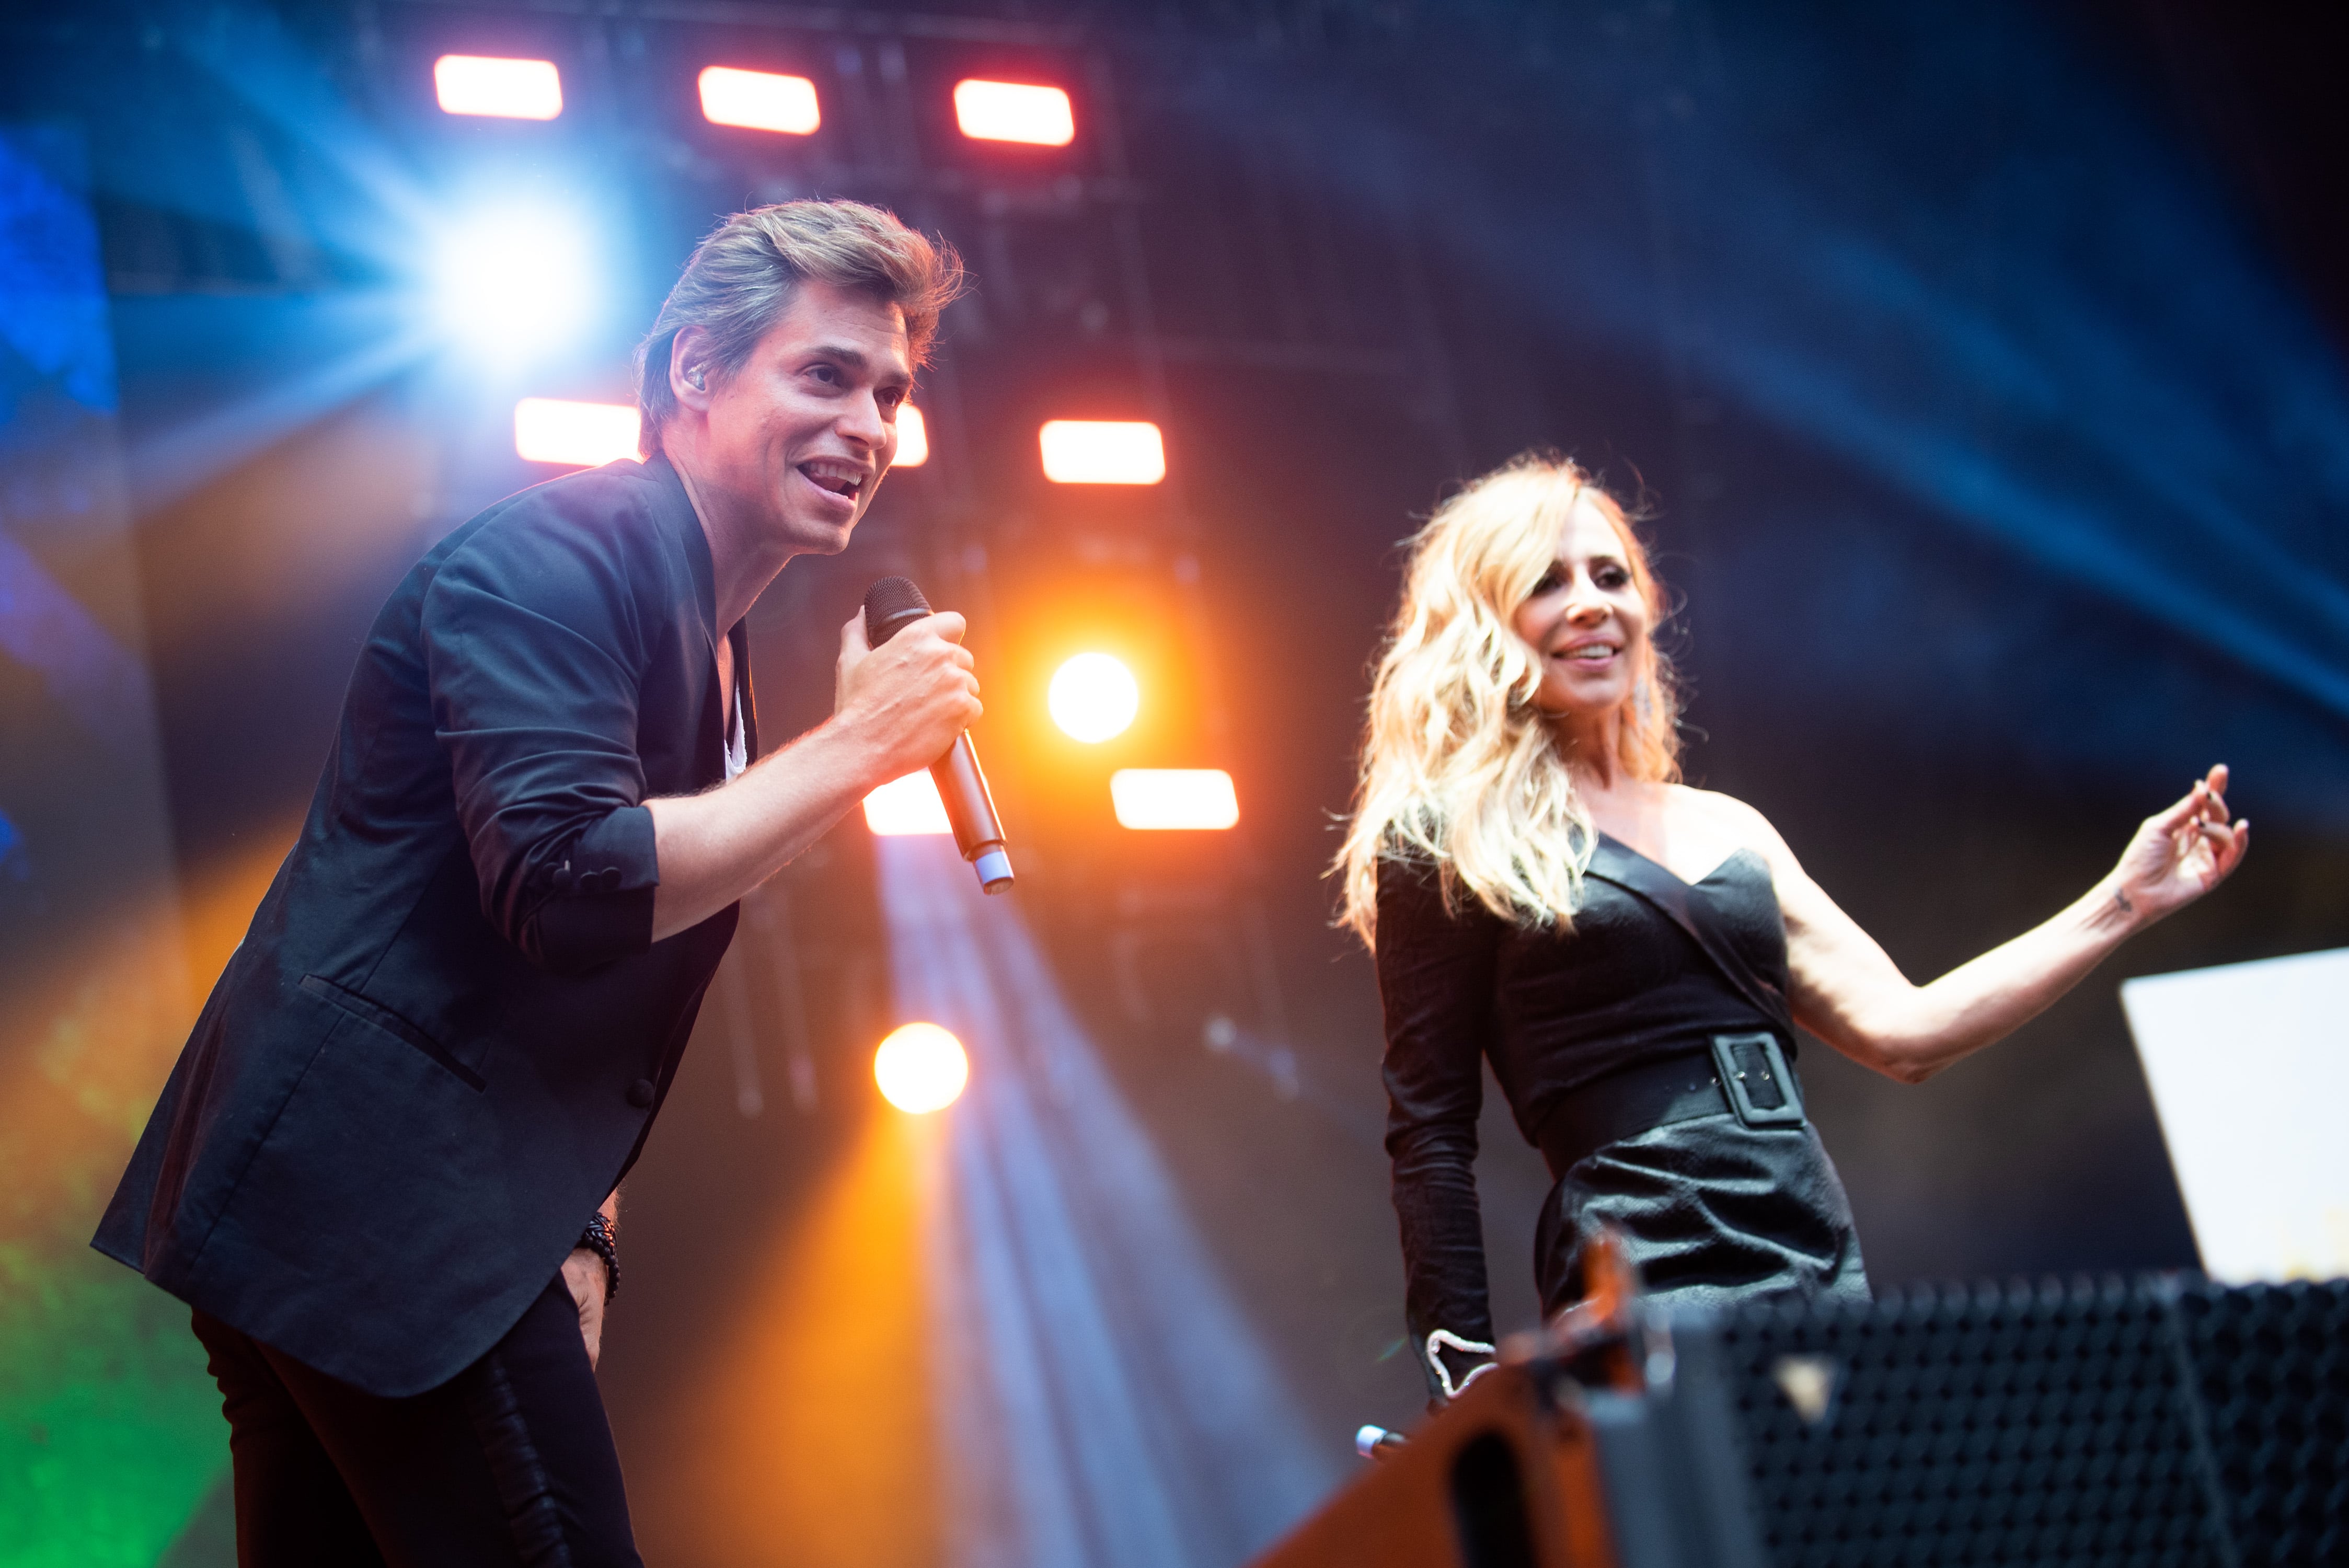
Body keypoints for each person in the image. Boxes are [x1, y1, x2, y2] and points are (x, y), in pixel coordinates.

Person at [92, 199, 975, 1564]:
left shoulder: (710, 642)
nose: (866, 425)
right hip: (383, 1196)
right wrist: (857, 752)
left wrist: (587, 1237)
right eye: (822, 375)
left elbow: (582, 990)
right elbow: (569, 886)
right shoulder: (560, 554)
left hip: (368, 1202)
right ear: (693, 372)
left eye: (888, 391)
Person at [1334, 453, 2249, 1408]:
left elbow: (1907, 1032)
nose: (1591, 603)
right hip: (1640, 1255)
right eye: (1545, 583)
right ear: (1485, 624)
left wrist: (2122, 901)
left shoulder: (1728, 825)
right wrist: (1462, 1364)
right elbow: (1431, 1129)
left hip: (1803, 1235)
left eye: (1611, 576)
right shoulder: (1446, 840)